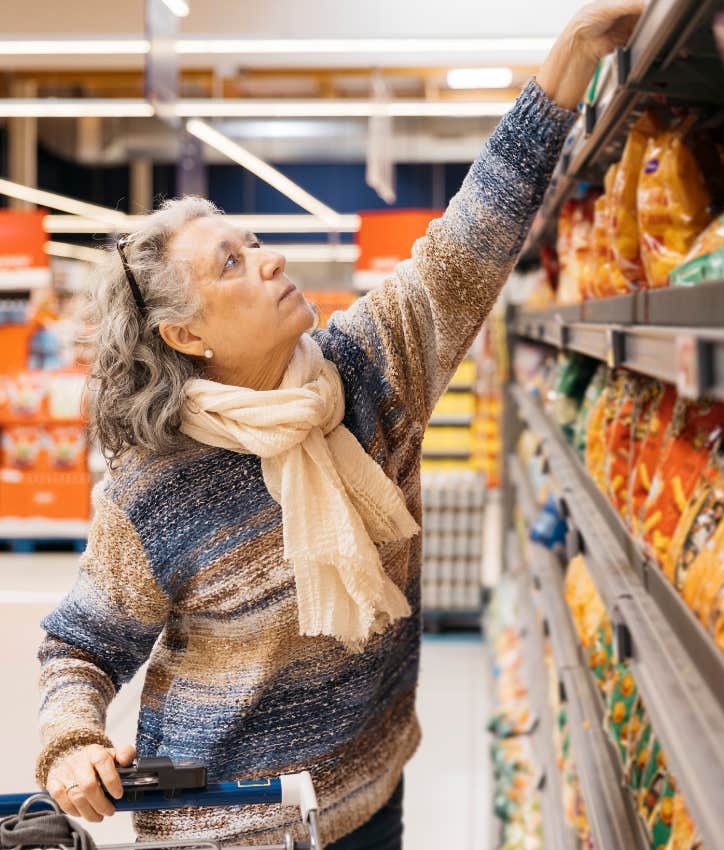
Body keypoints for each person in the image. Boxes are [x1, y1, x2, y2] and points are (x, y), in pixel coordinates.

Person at [35, 1, 643, 847]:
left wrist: (573, 51)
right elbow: (80, 647)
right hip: (225, 825)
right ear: (187, 336)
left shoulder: (365, 372)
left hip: (367, 795)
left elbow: (472, 238)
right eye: (233, 263)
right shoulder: (157, 488)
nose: (271, 259)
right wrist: (72, 742)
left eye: (253, 242)